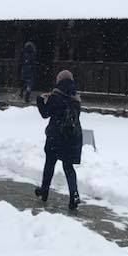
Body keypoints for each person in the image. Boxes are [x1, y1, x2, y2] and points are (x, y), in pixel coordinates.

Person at [34, 70, 82, 210]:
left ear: (59, 80)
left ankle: (44, 191)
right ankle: (74, 195)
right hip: (71, 137)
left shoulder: (56, 96)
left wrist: (40, 100)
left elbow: (45, 113)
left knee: (50, 163)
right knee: (68, 167)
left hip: (56, 136)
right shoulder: (76, 98)